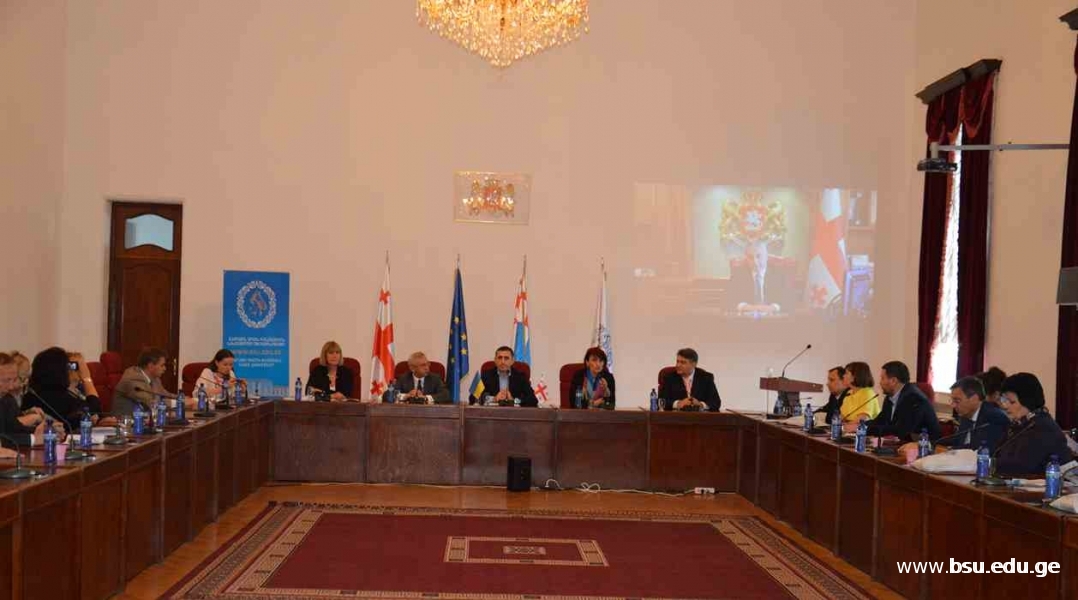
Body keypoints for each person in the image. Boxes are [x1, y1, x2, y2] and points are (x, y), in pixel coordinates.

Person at [900, 376, 1009, 457]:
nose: (953, 405)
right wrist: (925, 444)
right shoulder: (967, 415)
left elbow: (979, 449)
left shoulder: (994, 417)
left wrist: (944, 451)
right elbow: (956, 440)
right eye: (952, 400)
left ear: (974, 398)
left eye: (957, 401)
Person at [994, 372, 1073, 475]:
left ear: (1027, 401)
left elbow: (1021, 466)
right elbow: (998, 454)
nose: (1005, 406)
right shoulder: (1019, 425)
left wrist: (989, 464)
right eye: (1004, 400)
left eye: (1012, 402)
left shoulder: (1044, 428)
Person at [23, 347, 111, 432]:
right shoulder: (52, 395)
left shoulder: (33, 394)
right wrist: (87, 378)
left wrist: (101, 420)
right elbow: (93, 410)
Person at [854, 361, 940, 442]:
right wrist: (860, 425)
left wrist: (864, 429)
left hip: (923, 445)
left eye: (882, 378)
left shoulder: (913, 398)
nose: (880, 382)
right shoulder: (890, 397)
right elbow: (880, 421)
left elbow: (900, 430)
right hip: (902, 443)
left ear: (893, 381)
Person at [0, 353, 53, 453]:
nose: (11, 386)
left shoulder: (5, 399)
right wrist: (33, 439)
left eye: (14, 380)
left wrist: (47, 432)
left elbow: (14, 428)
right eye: (7, 380)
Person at [112, 347, 175, 417]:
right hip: (125, 420)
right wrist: (177, 403)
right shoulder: (133, 378)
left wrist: (181, 398)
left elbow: (165, 394)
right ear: (150, 366)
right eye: (162, 365)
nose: (165, 368)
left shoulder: (155, 378)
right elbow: (150, 401)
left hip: (145, 418)